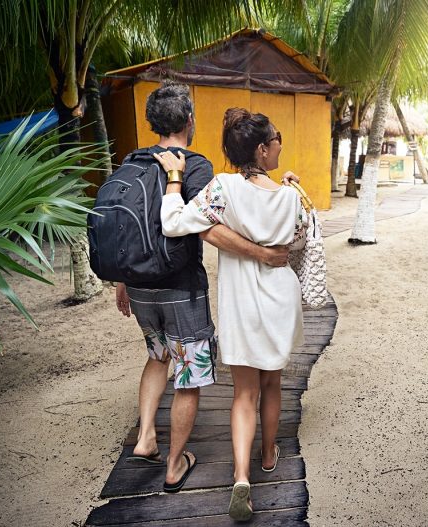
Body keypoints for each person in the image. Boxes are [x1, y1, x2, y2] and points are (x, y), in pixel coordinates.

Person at [115, 85, 291, 494]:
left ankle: (145, 435)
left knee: (158, 355)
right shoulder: (195, 166)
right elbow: (208, 230)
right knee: (188, 375)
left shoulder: (132, 160)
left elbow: (127, 223)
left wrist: (123, 278)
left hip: (139, 285)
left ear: (151, 123)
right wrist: (261, 254)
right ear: (190, 120)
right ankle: (175, 464)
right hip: (180, 286)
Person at [155, 108, 305, 521]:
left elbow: (173, 224)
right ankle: (269, 453)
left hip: (242, 305)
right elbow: (299, 239)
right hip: (279, 300)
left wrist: (174, 181)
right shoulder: (290, 196)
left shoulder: (222, 189)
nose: (279, 146)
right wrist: (289, 187)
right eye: (276, 140)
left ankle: (241, 477)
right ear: (261, 148)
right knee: (272, 383)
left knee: (244, 394)